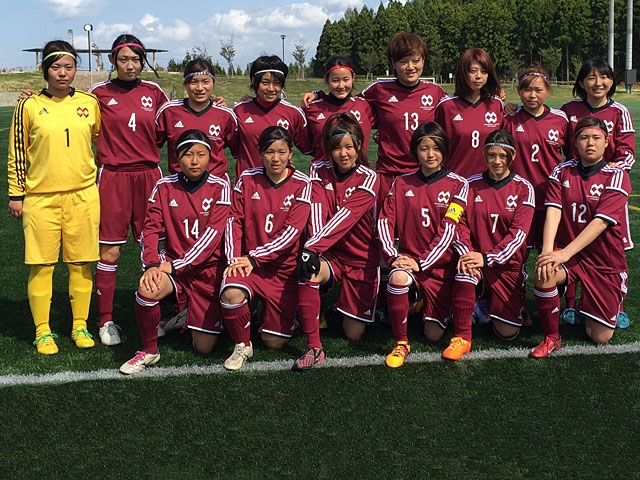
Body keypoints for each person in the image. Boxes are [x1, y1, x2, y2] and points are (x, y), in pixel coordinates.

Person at [8, 40, 101, 354]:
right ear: (44, 70)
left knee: (81, 264)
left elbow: (100, 141)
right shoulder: (29, 105)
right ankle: (43, 331)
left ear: (75, 69)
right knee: (42, 265)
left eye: (68, 67)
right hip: (40, 198)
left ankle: (80, 325)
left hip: (83, 196)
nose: (62, 73)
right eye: (56, 67)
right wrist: (16, 194)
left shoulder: (90, 102)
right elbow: (17, 152)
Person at [120, 130, 230, 374]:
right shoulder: (164, 186)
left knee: (204, 348)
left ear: (210, 157)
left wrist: (177, 265)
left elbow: (212, 237)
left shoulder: (220, 186)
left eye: (201, 154)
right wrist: (151, 265)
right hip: (173, 265)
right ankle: (150, 351)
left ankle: (188, 312)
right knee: (147, 289)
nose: (194, 161)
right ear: (177, 158)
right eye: (188, 155)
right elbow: (150, 230)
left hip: (207, 271)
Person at [89, 34, 169, 346]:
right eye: (124, 59)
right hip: (113, 177)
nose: (130, 65)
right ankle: (106, 320)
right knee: (110, 250)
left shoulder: (154, 91)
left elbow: (170, 126)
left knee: (154, 248)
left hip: (149, 175)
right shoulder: (98, 93)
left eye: (136, 59)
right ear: (113, 61)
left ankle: (158, 314)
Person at [530, 117, 631, 358]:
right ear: (575, 143)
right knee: (544, 270)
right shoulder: (562, 170)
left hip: (604, 260)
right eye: (584, 138)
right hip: (570, 255)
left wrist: (565, 253)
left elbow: (600, 222)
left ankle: (594, 304)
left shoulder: (616, 175)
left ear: (607, 141)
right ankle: (552, 337)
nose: (590, 143)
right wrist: (548, 252)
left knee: (600, 337)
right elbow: (553, 211)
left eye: (596, 138)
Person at [377, 123, 470, 367]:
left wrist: (422, 262)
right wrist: (393, 256)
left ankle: (424, 303)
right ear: (415, 151)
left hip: (440, 266)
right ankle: (401, 342)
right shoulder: (401, 183)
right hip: (410, 261)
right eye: (424, 148)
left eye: (436, 148)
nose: (430, 154)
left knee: (433, 335)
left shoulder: (459, 184)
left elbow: (449, 228)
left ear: (445, 150)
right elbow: (385, 221)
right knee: (397, 276)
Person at [221, 126, 311, 371]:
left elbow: (292, 233)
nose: (276, 158)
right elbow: (233, 220)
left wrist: (254, 258)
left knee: (274, 342)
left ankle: (274, 312)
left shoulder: (302, 183)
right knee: (231, 292)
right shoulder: (247, 178)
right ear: (260, 153)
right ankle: (243, 344)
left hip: (283, 271)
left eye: (282, 152)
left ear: (290, 153)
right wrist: (234, 258)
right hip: (250, 266)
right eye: (270, 152)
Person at [295, 112, 379, 370]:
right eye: (336, 148)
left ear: (359, 147)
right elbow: (317, 209)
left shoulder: (370, 177)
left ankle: (338, 305)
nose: (343, 154)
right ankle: (314, 347)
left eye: (349, 147)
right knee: (308, 271)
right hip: (331, 256)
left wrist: (312, 246)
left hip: (361, 259)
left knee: (353, 333)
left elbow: (347, 217)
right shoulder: (318, 170)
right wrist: (312, 251)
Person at [559, 59, 635, 327]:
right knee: (570, 238)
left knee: (613, 242)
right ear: (581, 82)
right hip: (575, 183)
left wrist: (612, 171)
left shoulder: (619, 111)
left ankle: (617, 304)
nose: (598, 83)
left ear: (612, 81)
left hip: (607, 186)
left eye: (603, 77)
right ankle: (570, 305)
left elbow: (627, 153)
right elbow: (552, 133)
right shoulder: (568, 110)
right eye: (591, 78)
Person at [501, 64, 568, 326]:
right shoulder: (509, 118)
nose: (532, 95)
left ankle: (558, 307)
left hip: (552, 202)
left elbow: (572, 159)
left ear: (547, 91)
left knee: (551, 254)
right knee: (517, 257)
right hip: (519, 202)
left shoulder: (560, 120)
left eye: (538, 90)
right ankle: (516, 305)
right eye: (526, 90)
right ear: (519, 91)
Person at [457, 130, 535, 343]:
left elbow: (518, 234)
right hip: (475, 261)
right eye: (492, 155)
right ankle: (471, 309)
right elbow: (459, 224)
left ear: (513, 156)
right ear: (484, 155)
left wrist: (488, 258)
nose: (497, 161)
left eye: (502, 156)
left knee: (507, 333)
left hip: (506, 266)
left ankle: (493, 303)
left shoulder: (524, 188)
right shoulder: (468, 185)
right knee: (464, 275)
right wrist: (467, 254)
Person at [156, 57, 237, 182]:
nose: (200, 88)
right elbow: (152, 145)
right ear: (185, 84)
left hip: (216, 185)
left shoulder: (225, 114)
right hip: (179, 186)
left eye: (205, 82)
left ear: (213, 83)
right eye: (193, 82)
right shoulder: (169, 111)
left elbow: (238, 150)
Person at [232, 55, 309, 179]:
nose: (271, 88)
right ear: (254, 81)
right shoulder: (239, 111)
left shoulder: (293, 113)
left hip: (281, 183)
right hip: (248, 183)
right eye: (265, 82)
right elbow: (232, 148)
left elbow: (309, 147)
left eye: (277, 83)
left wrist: (317, 95)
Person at [435, 48, 503, 179]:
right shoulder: (447, 106)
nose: (478, 76)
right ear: (463, 72)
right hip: (456, 181)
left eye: (484, 71)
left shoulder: (496, 104)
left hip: (488, 183)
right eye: (473, 71)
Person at [302, 55, 375, 163]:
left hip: (359, 171)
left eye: (346, 79)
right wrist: (318, 94)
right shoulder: (312, 108)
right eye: (335, 80)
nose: (341, 86)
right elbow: (305, 144)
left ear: (353, 77)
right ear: (326, 79)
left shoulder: (365, 106)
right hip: (323, 172)